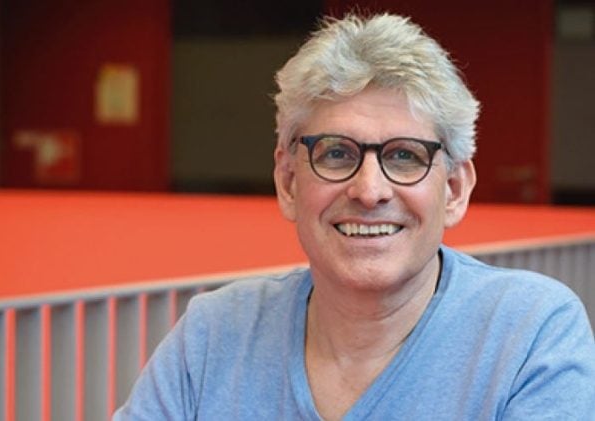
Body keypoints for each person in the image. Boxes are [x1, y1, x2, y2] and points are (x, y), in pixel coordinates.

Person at [114, 13, 595, 420]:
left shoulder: (529, 333)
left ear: (453, 190)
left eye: (405, 156)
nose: (369, 191)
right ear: (288, 182)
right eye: (336, 153)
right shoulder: (213, 335)